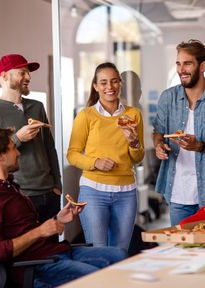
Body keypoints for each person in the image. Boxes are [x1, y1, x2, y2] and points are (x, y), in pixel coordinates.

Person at [0, 128, 127, 287]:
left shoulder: (9, 186)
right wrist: (40, 231)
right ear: (0, 155)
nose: (19, 153)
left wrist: (57, 219)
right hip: (39, 266)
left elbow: (24, 228)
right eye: (13, 148)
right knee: (99, 280)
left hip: (54, 252)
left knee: (120, 255)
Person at [67, 62, 144, 250]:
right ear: (96, 86)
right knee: (98, 250)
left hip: (126, 193)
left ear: (120, 84)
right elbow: (72, 154)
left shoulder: (134, 114)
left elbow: (137, 157)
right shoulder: (85, 116)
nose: (109, 87)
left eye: (114, 81)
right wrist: (95, 163)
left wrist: (133, 142)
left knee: (120, 252)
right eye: (103, 82)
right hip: (93, 191)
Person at [0, 54, 62, 223]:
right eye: (22, 72)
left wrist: (57, 185)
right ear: (4, 76)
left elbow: (49, 148)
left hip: (50, 192)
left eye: (28, 73)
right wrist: (18, 138)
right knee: (29, 246)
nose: (28, 77)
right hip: (21, 194)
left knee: (51, 246)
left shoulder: (37, 106)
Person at [153, 39, 205, 226]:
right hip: (178, 193)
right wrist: (159, 145)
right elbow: (158, 132)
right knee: (180, 248)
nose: (181, 69)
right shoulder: (168, 97)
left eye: (188, 63)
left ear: (202, 66)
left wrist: (199, 146)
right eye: (178, 63)